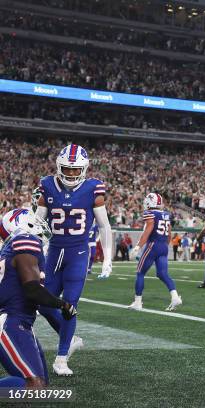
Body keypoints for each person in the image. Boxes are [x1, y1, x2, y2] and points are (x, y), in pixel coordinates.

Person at [35, 144, 113, 376]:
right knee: (42, 303)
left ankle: (61, 358)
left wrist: (107, 258)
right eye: (67, 169)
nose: (70, 174)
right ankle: (71, 339)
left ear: (84, 168)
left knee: (70, 305)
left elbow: (104, 225)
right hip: (54, 252)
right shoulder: (47, 185)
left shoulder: (92, 188)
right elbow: (38, 222)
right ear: (59, 167)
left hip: (78, 253)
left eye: (75, 169)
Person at [0, 213, 77, 388]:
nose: (39, 222)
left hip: (21, 322)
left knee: (41, 385)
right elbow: (32, 289)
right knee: (34, 386)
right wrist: (62, 304)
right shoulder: (25, 240)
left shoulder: (11, 248)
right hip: (10, 321)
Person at [128, 193, 182, 311]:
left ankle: (138, 302)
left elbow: (148, 231)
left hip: (153, 245)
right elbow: (169, 232)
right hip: (163, 246)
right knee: (162, 274)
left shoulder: (150, 214)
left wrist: (137, 247)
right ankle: (175, 296)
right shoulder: (165, 214)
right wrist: (165, 246)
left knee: (140, 272)